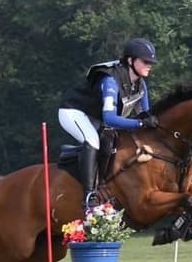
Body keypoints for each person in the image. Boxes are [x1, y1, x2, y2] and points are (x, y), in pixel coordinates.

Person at [59, 37, 159, 208]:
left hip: (95, 117)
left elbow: (145, 115)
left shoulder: (140, 86)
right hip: (73, 112)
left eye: (151, 62)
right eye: (145, 61)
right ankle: (89, 195)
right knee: (93, 141)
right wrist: (140, 124)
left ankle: (106, 183)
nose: (149, 65)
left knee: (113, 143)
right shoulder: (110, 80)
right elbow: (110, 119)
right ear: (130, 61)